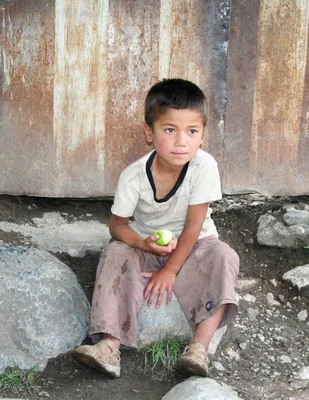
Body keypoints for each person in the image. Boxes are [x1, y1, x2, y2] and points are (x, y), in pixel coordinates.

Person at [71, 78, 239, 378]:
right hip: (147, 245)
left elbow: (192, 229)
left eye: (192, 131)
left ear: (202, 135)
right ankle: (109, 345)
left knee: (225, 256)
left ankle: (199, 348)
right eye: (170, 130)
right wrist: (142, 244)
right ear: (149, 132)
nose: (181, 141)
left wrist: (170, 270)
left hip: (195, 246)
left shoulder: (204, 167)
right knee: (115, 253)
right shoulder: (134, 176)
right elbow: (117, 226)